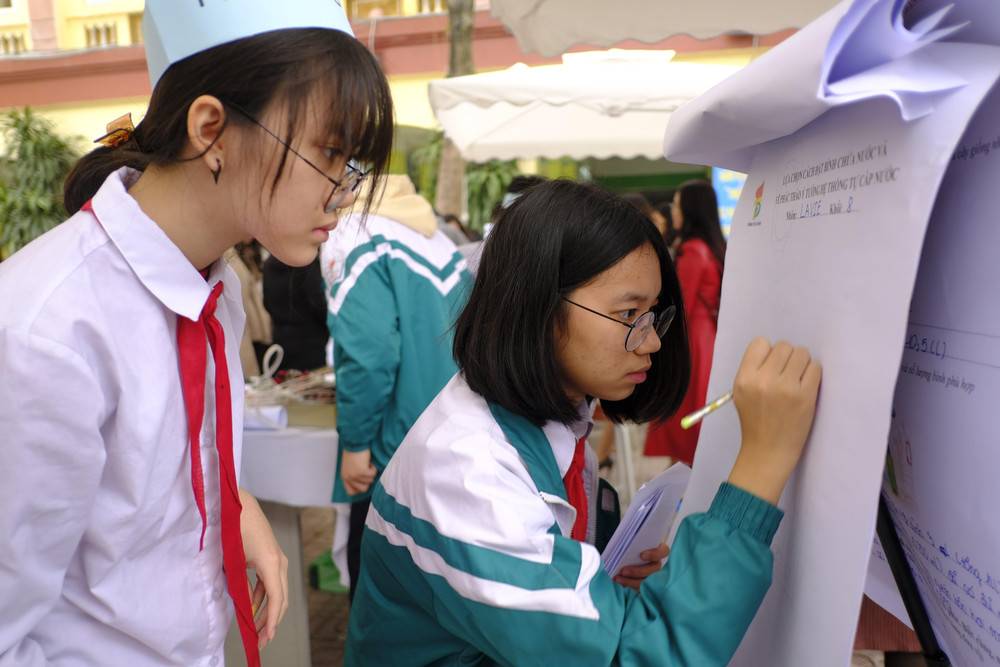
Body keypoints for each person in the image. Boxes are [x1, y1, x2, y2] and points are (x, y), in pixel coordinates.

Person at [0, 2, 393, 665]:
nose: (346, 191)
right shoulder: (49, 330)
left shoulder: (214, 285)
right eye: (331, 153)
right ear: (212, 131)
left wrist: (233, 501)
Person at [344, 179, 821, 666]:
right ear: (536, 304)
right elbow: (637, 657)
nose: (652, 341)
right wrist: (762, 464)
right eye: (629, 313)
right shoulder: (466, 470)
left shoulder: (549, 424)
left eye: (653, 314)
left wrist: (607, 593)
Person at [320, 174, 473, 601]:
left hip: (392, 454)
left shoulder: (351, 234)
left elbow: (369, 354)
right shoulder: (433, 236)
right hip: (453, 436)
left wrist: (355, 444)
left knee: (379, 598)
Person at [644, 179, 728, 466]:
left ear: (690, 210)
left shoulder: (692, 250)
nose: (674, 212)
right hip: (707, 340)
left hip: (691, 341)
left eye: (678, 205)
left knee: (685, 420)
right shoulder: (713, 247)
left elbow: (683, 307)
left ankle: (681, 484)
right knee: (700, 418)